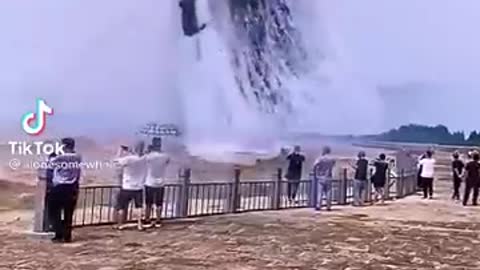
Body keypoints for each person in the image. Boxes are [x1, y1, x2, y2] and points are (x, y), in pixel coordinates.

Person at [48, 138, 82, 243]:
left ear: (64, 146)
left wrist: (54, 153)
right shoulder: (78, 157)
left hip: (59, 187)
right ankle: (67, 236)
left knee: (54, 212)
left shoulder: (60, 157)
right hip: (72, 187)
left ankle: (58, 235)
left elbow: (50, 164)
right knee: (68, 213)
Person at [113, 141, 147, 231]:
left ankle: (120, 224)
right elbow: (141, 154)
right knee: (138, 207)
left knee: (121, 206)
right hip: (139, 187)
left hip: (127, 187)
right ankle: (139, 224)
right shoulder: (144, 159)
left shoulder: (128, 159)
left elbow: (116, 161)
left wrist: (120, 150)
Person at [144, 141, 171, 228]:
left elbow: (144, 160)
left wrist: (148, 151)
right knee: (159, 203)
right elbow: (167, 162)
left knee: (148, 203)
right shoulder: (165, 156)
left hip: (149, 182)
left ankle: (147, 219)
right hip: (160, 183)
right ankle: (158, 220)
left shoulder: (149, 156)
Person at [313, 146, 336, 211]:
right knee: (328, 192)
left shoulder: (320, 158)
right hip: (329, 176)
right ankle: (328, 206)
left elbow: (315, 165)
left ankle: (318, 205)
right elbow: (334, 164)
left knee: (320, 192)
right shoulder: (332, 159)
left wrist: (316, 171)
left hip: (321, 176)